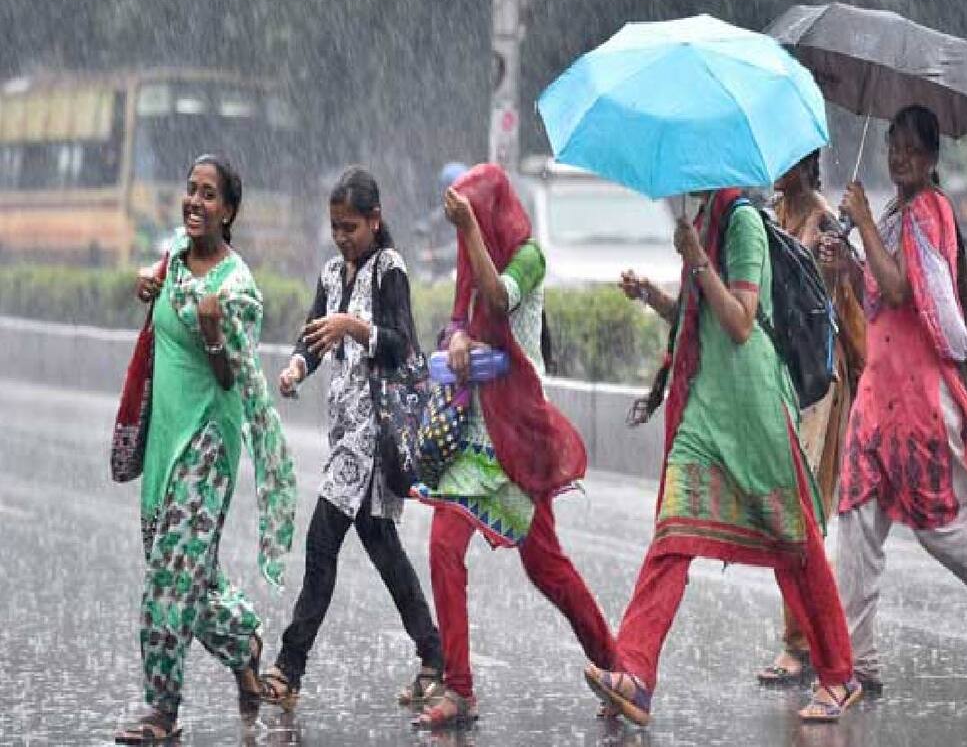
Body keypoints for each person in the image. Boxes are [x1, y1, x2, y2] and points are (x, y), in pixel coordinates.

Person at [587, 186, 862, 727]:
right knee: (673, 532)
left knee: (793, 540)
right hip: (708, 407)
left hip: (752, 404)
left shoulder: (741, 223)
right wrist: (658, 293)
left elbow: (740, 319)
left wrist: (696, 260)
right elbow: (701, 316)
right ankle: (635, 673)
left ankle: (839, 674)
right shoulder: (706, 217)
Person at [825, 104, 967, 696]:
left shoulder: (929, 213)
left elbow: (903, 288)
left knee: (949, 532)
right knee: (854, 522)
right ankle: (856, 662)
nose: (898, 155)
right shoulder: (898, 215)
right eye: (893, 145)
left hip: (919, 407)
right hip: (878, 398)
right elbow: (878, 298)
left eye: (910, 148)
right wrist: (845, 263)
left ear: (930, 159)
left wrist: (863, 223)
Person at [412, 163, 617, 729]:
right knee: (443, 545)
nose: (466, 234)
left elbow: (498, 302)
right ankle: (459, 688)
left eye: (476, 220)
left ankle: (616, 667)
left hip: (519, 433)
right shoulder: (467, 254)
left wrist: (472, 232)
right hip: (476, 434)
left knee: (546, 567)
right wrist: (456, 338)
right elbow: (462, 317)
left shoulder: (529, 256)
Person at [115, 155, 296, 744]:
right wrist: (150, 280)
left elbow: (230, 379)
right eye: (190, 190)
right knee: (190, 576)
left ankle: (161, 712)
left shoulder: (237, 289)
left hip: (205, 446)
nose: (195, 202)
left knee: (170, 580)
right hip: (165, 440)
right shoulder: (174, 256)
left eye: (209, 195)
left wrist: (215, 332)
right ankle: (243, 641)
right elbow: (162, 278)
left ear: (230, 211)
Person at [258, 166, 443, 712]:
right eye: (336, 227)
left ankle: (289, 669)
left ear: (375, 221)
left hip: (374, 435)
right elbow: (314, 334)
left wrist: (354, 327)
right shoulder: (332, 273)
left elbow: (403, 346)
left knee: (320, 546)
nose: (343, 237)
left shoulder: (390, 269)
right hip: (344, 434)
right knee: (386, 554)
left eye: (351, 227)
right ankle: (435, 655)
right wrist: (296, 365)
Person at [758, 150, 867, 684]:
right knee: (785, 508)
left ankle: (805, 644)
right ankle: (807, 638)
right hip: (783, 375)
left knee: (800, 512)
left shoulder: (825, 220)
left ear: (806, 163)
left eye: (786, 155)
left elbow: (834, 302)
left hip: (819, 383)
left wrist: (831, 266)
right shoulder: (772, 214)